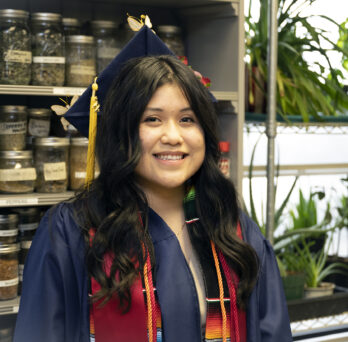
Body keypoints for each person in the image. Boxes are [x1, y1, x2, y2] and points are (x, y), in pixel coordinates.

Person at [14, 26, 292, 342]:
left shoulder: (233, 228)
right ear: (121, 134)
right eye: (152, 119)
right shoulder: (72, 232)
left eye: (188, 119)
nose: (173, 136)